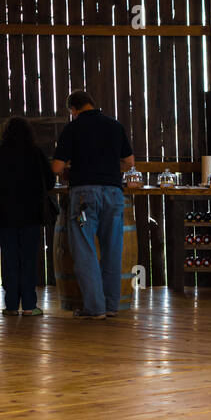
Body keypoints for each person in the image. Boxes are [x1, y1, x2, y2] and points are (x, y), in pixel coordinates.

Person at [51, 90, 134, 319]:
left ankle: (95, 308)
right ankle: (111, 306)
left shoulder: (72, 128)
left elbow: (56, 168)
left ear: (74, 109)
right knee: (112, 250)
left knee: (85, 248)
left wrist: (73, 170)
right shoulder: (115, 126)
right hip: (114, 196)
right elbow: (129, 162)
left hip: (84, 201)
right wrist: (108, 170)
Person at [0, 116, 55, 316]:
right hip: (31, 215)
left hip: (5, 215)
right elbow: (50, 182)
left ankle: (11, 305)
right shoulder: (35, 153)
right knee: (28, 259)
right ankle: (29, 305)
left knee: (10, 259)